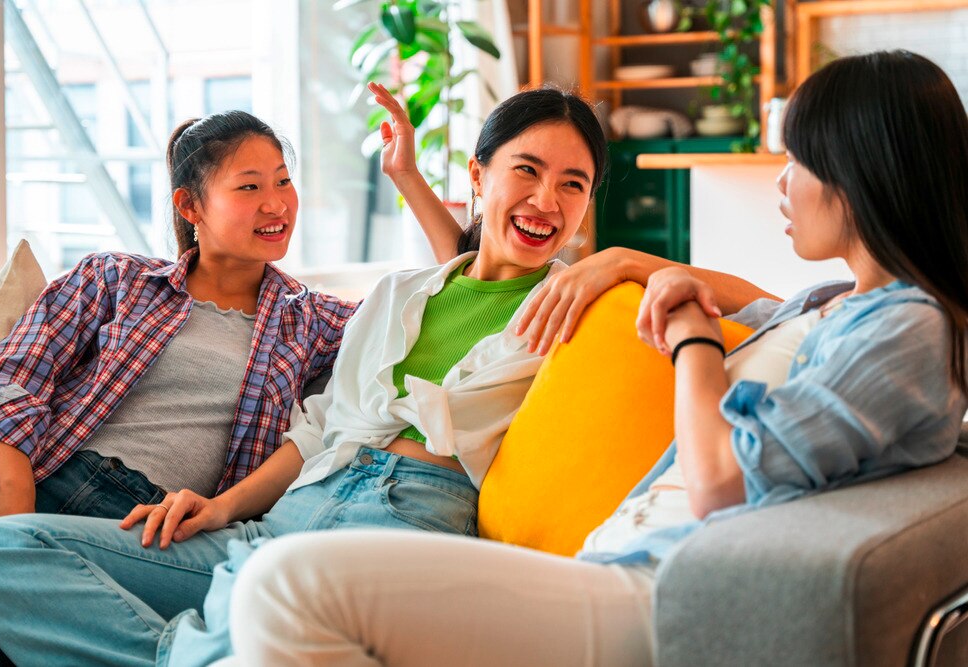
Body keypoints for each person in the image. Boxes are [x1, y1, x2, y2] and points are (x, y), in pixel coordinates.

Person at [210, 50, 967, 666]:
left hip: (661, 584)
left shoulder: (906, 326)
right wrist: (640, 265)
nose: (781, 177)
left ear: (859, 172)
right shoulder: (835, 302)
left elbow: (717, 479)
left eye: (798, 157)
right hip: (605, 554)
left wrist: (690, 335)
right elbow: (749, 297)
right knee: (252, 598)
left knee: (280, 587)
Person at [0, 85, 614, 666]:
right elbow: (323, 421)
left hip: (393, 513)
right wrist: (219, 507)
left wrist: (621, 261)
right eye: (526, 170)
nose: (545, 198)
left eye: (573, 185)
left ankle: (192, 652)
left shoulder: (578, 307)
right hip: (254, 513)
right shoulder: (392, 296)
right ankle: (191, 655)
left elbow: (501, 276)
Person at [0, 111, 360, 531]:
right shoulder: (114, 278)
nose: (276, 203)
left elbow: (432, 301)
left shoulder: (314, 321)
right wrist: (15, 493)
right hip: (31, 478)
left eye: (283, 181)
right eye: (250, 186)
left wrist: (406, 175)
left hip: (147, 519)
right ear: (190, 205)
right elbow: (8, 381)